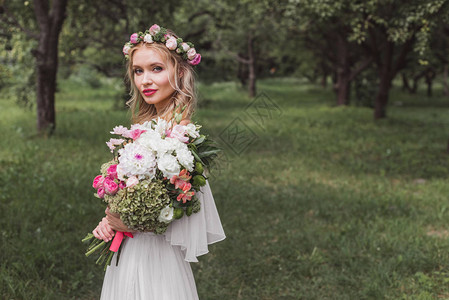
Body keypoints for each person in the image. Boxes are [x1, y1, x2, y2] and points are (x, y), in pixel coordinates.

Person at [91, 24, 226, 300]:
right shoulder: (145, 126)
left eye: (156, 69)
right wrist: (109, 218)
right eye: (138, 71)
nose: (145, 81)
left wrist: (127, 222)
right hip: (130, 248)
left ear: (179, 72)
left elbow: (179, 205)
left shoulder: (180, 136)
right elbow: (132, 189)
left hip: (155, 254)